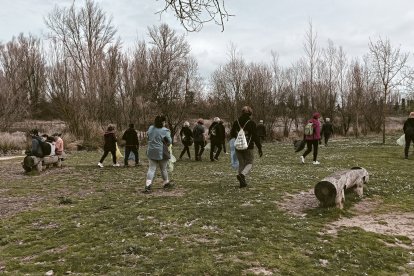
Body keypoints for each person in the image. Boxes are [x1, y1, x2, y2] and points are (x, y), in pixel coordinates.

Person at [230, 106, 263, 188]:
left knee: (241, 163)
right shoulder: (251, 123)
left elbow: (232, 134)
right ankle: (242, 175)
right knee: (249, 162)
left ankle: (242, 182)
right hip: (248, 146)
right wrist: (259, 147)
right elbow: (255, 136)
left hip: (238, 146)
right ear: (250, 113)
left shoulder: (236, 122)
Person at [144, 115, 173, 193]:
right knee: (163, 169)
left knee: (151, 169)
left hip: (151, 151)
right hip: (161, 151)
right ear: (163, 122)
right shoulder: (165, 130)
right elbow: (169, 141)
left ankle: (148, 185)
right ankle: (166, 182)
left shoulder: (150, 128)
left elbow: (148, 136)